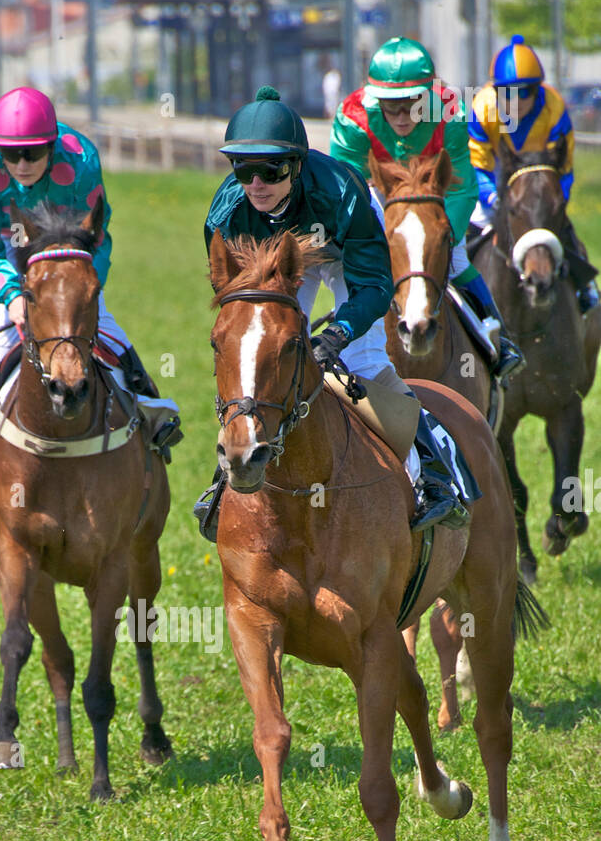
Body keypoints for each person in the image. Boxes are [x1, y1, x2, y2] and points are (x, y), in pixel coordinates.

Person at [195, 85, 473, 541]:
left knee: (363, 362)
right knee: (259, 352)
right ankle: (228, 472)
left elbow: (376, 286)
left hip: (345, 254)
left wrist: (339, 331)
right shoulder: (226, 217)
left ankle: (433, 474)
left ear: (297, 165)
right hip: (279, 266)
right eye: (243, 169)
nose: (256, 184)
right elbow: (236, 309)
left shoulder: (344, 194)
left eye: (270, 168)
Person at [0, 86, 158, 470]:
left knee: (91, 315)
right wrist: (12, 295)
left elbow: (92, 232)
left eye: (33, 153)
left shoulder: (80, 161)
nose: (22, 164)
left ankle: (148, 402)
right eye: (11, 155)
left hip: (67, 237)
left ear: (52, 145)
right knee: (5, 326)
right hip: (9, 234)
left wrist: (80, 289)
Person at [330, 36, 523, 378]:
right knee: (351, 265)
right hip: (377, 196)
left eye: (413, 104)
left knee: (457, 256)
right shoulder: (352, 118)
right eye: (392, 107)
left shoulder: (451, 113)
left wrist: (442, 237)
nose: (402, 117)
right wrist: (373, 238)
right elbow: (345, 190)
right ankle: (335, 343)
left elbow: (463, 187)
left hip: (434, 196)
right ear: (375, 101)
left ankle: (500, 338)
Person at [468, 35, 600, 314]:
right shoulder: (482, 108)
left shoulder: (554, 108)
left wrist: (556, 202)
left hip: (541, 178)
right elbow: (477, 165)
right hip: (497, 174)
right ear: (496, 91)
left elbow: (563, 169)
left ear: (537, 89)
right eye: (506, 93)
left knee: (562, 228)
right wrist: (493, 198)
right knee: (467, 233)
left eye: (523, 92)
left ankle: (586, 289)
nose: (514, 101)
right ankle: (458, 292)